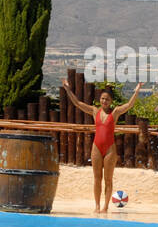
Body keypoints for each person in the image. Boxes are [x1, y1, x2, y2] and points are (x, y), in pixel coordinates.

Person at [61, 78, 145, 213]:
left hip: (110, 149)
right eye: (102, 99)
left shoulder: (115, 112)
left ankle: (105, 206)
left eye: (106, 99)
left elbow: (129, 105)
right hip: (96, 147)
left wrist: (138, 90)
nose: (104, 101)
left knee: (108, 179)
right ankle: (97, 205)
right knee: (97, 178)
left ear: (111, 101)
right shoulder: (95, 111)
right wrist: (67, 89)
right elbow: (77, 103)